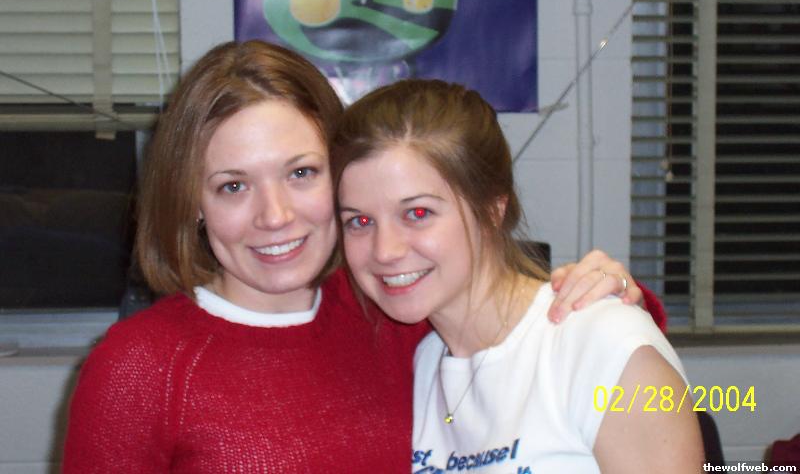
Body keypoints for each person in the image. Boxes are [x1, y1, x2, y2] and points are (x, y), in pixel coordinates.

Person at [63, 41, 650, 472]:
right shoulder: (139, 367)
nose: (275, 215)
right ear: (193, 202)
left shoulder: (394, 309)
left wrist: (613, 296)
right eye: (233, 186)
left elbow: (524, 335)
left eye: (301, 173)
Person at [332, 79, 704, 473]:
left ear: (491, 210)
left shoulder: (603, 346)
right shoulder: (425, 364)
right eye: (360, 221)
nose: (385, 250)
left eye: (418, 213)